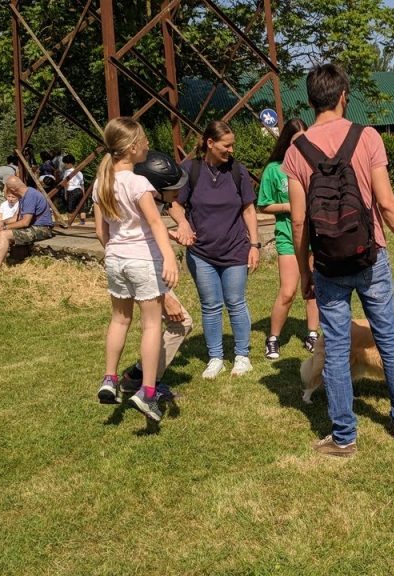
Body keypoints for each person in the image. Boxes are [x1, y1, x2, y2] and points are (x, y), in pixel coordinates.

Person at [283, 63, 394, 458]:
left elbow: (298, 222)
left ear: (311, 101)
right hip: (371, 256)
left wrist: (305, 270)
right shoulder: (367, 138)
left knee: (337, 347)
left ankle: (344, 436)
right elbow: (387, 203)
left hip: (328, 265)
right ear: (344, 95)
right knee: (388, 339)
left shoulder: (296, 151)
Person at [91, 117, 179, 423]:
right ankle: (148, 392)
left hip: (115, 259)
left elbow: (101, 231)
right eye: (143, 140)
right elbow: (155, 222)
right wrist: (169, 257)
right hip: (143, 260)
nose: (148, 145)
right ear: (131, 147)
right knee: (152, 325)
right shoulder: (139, 183)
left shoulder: (102, 182)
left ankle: (110, 378)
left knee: (119, 319)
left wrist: (115, 248)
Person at [169, 120, 261, 380]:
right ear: (210, 143)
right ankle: (215, 358)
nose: (231, 150)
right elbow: (174, 204)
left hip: (234, 250)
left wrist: (254, 245)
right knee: (210, 305)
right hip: (201, 254)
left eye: (232, 145)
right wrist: (184, 223)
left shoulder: (238, 172)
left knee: (235, 301)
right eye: (226, 145)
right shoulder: (190, 170)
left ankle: (242, 356)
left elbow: (248, 209)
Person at [257, 118, 320, 360]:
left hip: (316, 237)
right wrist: (291, 205)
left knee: (314, 287)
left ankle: (312, 333)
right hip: (288, 236)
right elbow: (264, 205)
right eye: (296, 141)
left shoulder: (314, 164)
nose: (301, 146)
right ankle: (273, 338)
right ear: (286, 141)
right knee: (288, 290)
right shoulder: (274, 169)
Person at [118, 292, 193, 400]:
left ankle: (135, 377)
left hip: (146, 281)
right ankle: (151, 386)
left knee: (176, 324)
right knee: (181, 324)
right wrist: (165, 296)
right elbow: (145, 274)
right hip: (151, 283)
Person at [0, 176, 55, 274]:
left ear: (13, 189)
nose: (6, 192)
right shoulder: (24, 196)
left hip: (42, 228)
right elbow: (16, 218)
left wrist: (5, 227)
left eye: (7, 189)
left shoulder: (30, 196)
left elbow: (25, 222)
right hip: (32, 227)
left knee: (4, 234)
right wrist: (3, 222)